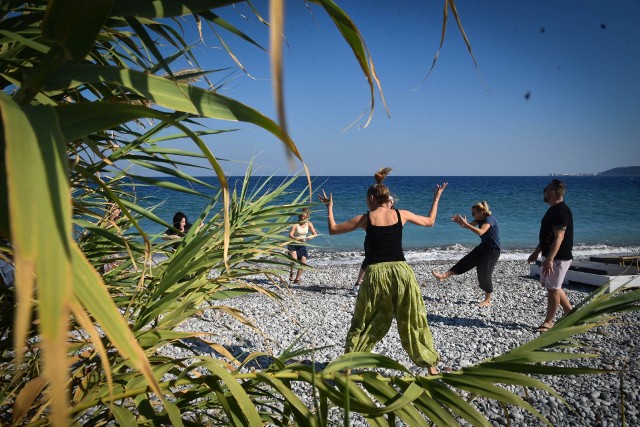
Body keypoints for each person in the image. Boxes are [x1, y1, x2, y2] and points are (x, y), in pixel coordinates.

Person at [318, 167, 447, 375]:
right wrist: (437, 197)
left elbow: (333, 230)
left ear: (371, 198)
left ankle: (348, 367)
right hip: (402, 273)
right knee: (414, 318)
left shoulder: (366, 218)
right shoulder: (401, 214)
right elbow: (430, 222)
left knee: (364, 319)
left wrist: (329, 207)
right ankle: (431, 365)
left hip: (376, 274)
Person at [431, 201, 501, 307]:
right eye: (472, 213)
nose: (472, 215)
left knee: (484, 274)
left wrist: (466, 224)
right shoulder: (479, 219)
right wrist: (460, 223)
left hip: (493, 250)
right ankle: (443, 276)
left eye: (474, 213)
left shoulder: (488, 219)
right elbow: (468, 227)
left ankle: (487, 300)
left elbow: (481, 232)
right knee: (465, 261)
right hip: (483, 247)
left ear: (482, 212)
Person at [527, 179, 574, 333]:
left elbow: (559, 237)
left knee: (553, 289)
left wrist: (550, 259)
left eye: (545, 190)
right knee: (553, 287)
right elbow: (548, 236)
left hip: (559, 257)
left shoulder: (561, 211)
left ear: (553, 192)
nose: (544, 193)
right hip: (551, 255)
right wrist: (537, 252)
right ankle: (571, 314)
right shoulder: (553, 209)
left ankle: (549, 322)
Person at [353, 196, 394, 295]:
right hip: (371, 241)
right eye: (387, 201)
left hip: (386, 242)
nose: (388, 203)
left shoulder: (394, 214)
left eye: (390, 202)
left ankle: (379, 284)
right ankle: (357, 284)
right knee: (368, 261)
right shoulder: (375, 212)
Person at [287, 208, 318, 284]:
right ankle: (291, 271)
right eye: (303, 214)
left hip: (302, 245)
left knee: (303, 262)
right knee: (294, 261)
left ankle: (297, 279)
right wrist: (296, 238)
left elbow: (315, 233)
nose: (304, 216)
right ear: (300, 215)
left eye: (306, 214)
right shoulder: (295, 224)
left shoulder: (309, 224)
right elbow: (290, 234)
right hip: (293, 244)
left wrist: (312, 236)